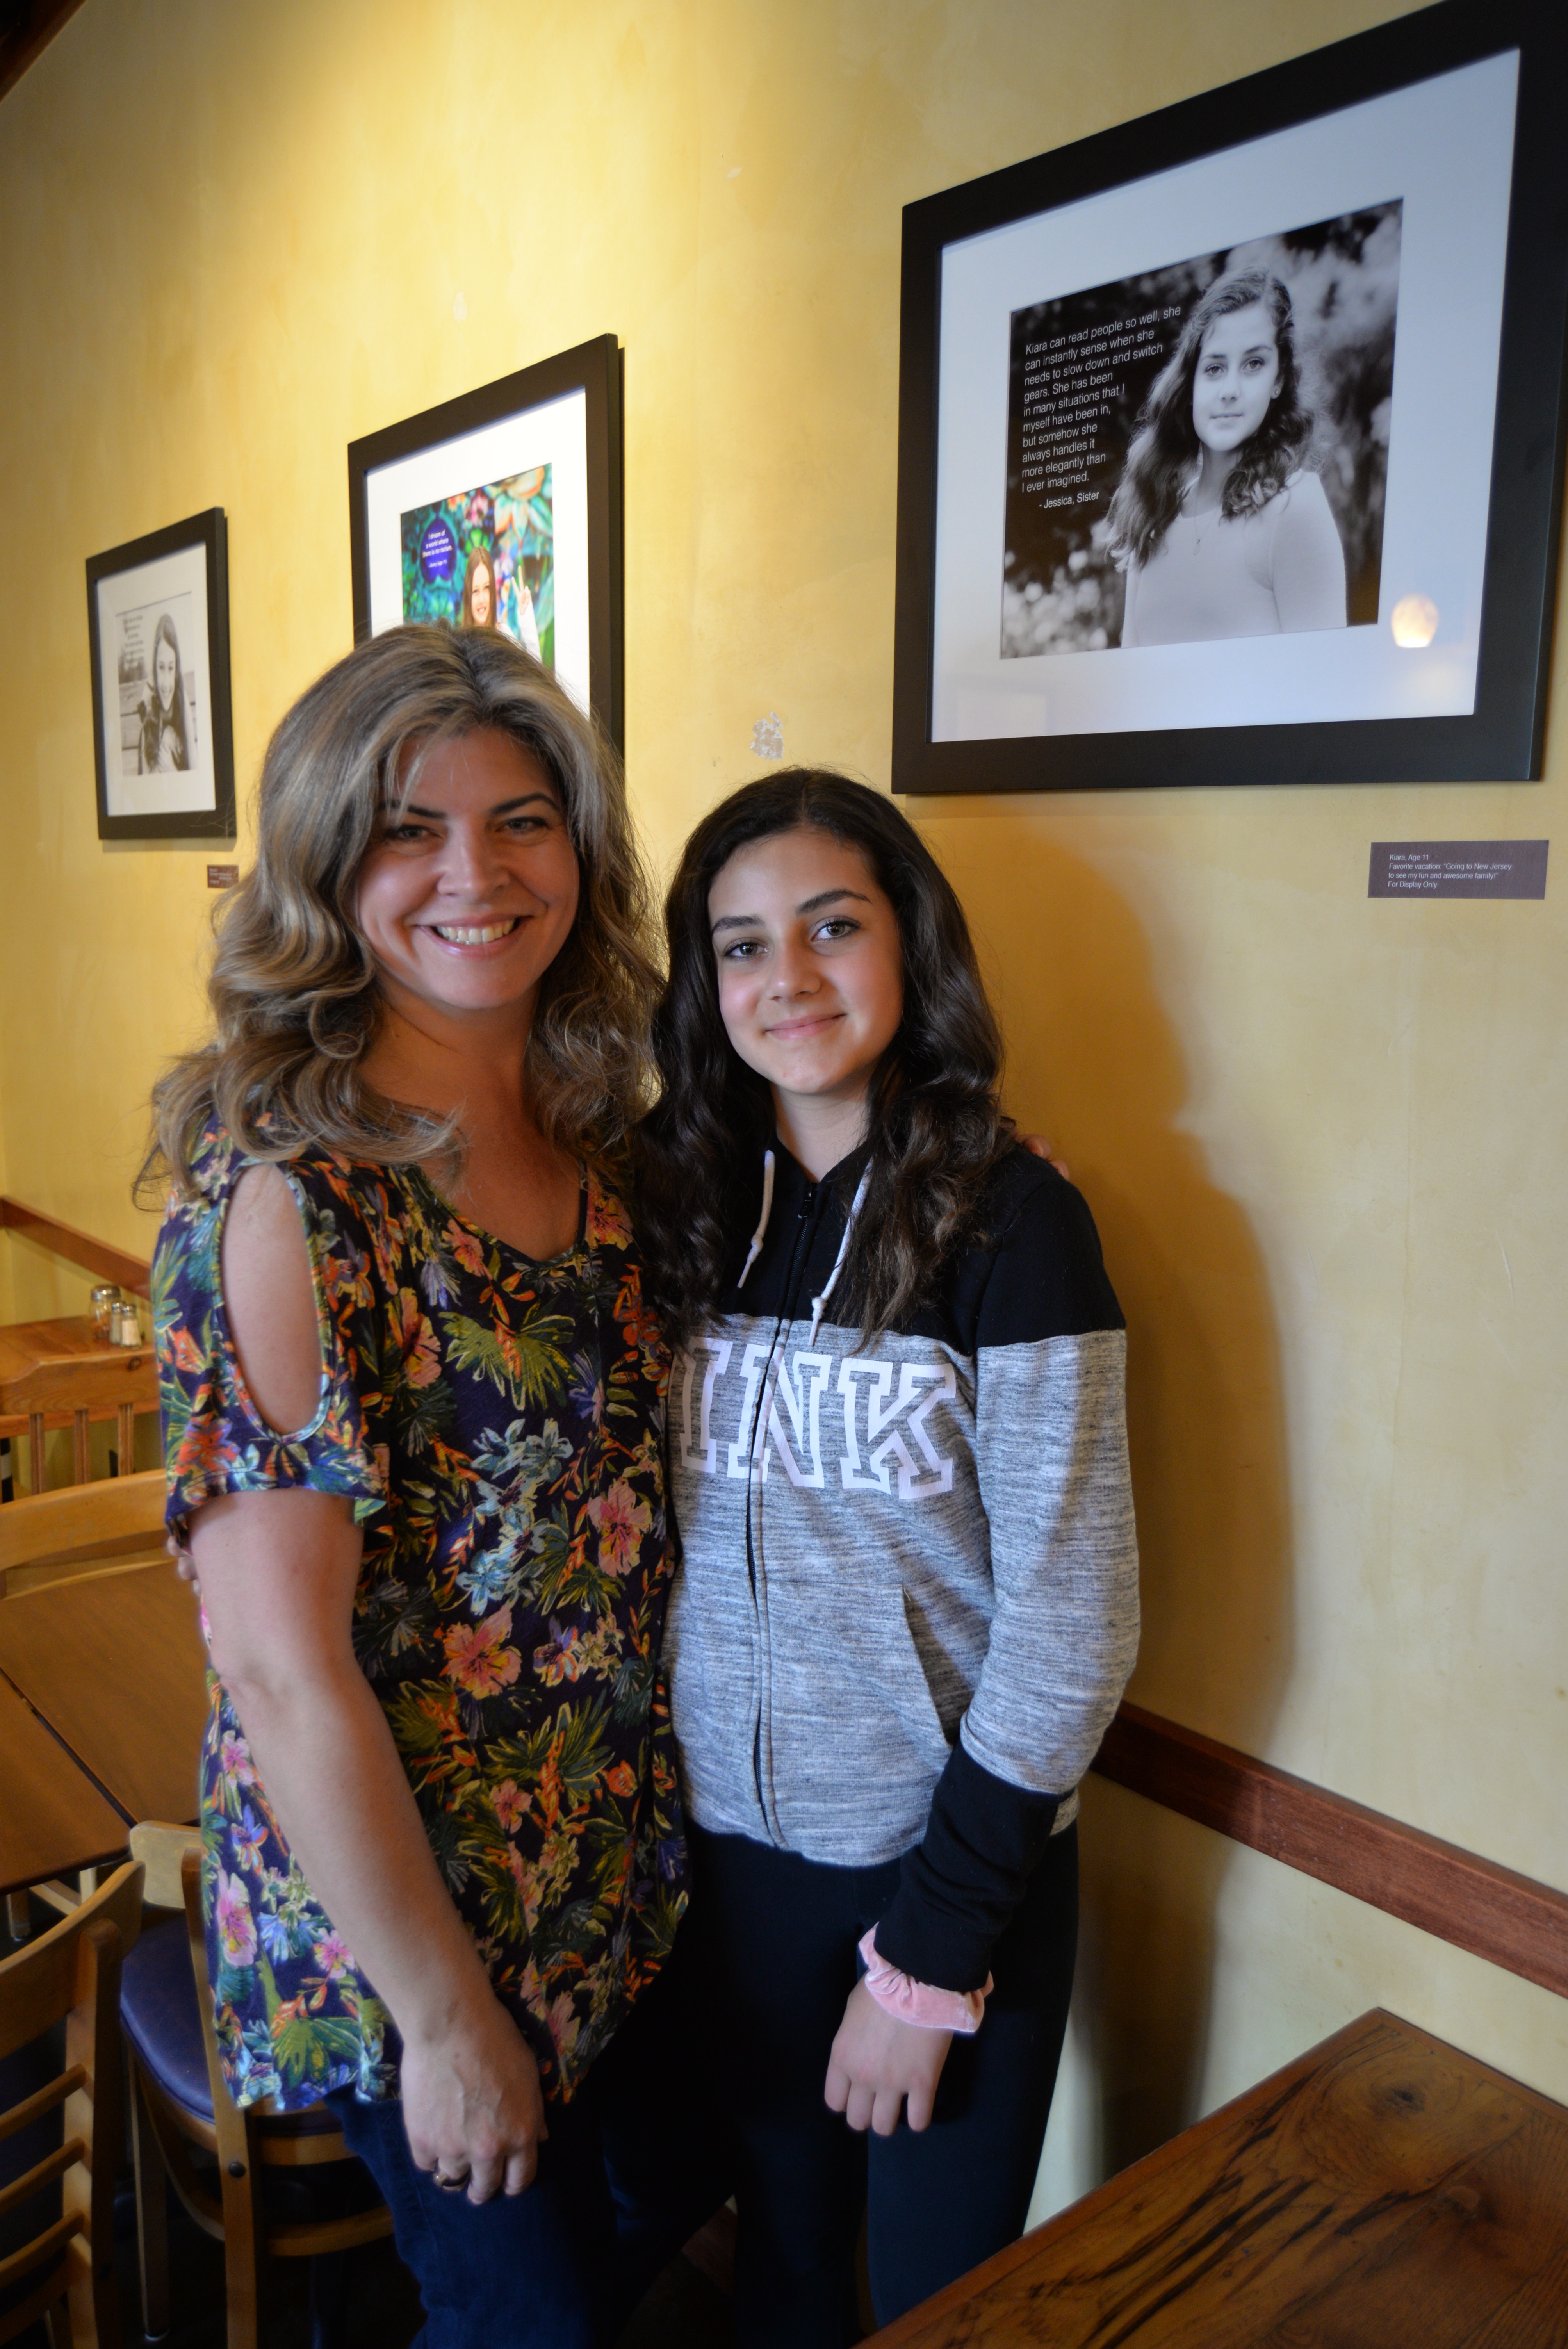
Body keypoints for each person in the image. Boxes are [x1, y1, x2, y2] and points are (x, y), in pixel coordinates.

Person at [145, 624, 707, 2348]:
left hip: (605, 1865)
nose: (476, 872)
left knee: (640, 2224)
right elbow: (278, 1666)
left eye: (524, 817)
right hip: (408, 1913)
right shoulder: (292, 1207)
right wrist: (446, 2015)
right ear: (328, 867)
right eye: (410, 829)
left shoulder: (605, 1140)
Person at [632, 770, 1140, 2344]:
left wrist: (923, 1962)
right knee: (781, 2270)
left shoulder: (1011, 1219)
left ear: (909, 942)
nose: (782, 979)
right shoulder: (672, 1205)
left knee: (939, 2304)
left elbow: (1073, 1620)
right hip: (734, 1873)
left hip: (947, 1880)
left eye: (829, 927)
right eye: (736, 946)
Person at [1108, 268, 1346, 648]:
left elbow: (1326, 683)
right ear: (1191, 382)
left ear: (1279, 380)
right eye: (1215, 368)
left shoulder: (1294, 507)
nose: (1229, 391)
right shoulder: (1154, 514)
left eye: (1253, 364)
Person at [138, 610, 190, 771]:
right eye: (161, 668)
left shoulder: (182, 700)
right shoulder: (149, 700)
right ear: (155, 667)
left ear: (177, 669)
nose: (166, 684)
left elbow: (195, 765)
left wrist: (171, 769)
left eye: (171, 668)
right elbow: (147, 777)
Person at [460, 545, 497, 629]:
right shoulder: (460, 641)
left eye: (487, 588)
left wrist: (525, 617)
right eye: (476, 591)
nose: (482, 600)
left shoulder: (505, 634)